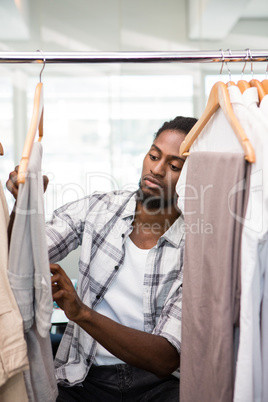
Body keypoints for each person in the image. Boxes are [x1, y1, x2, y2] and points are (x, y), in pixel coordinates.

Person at [7, 115, 197, 402]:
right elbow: (16, 257)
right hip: (83, 378)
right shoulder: (99, 208)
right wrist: (23, 208)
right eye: (153, 155)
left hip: (158, 385)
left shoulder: (196, 246)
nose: (156, 170)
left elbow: (165, 358)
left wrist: (80, 311)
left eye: (174, 166)